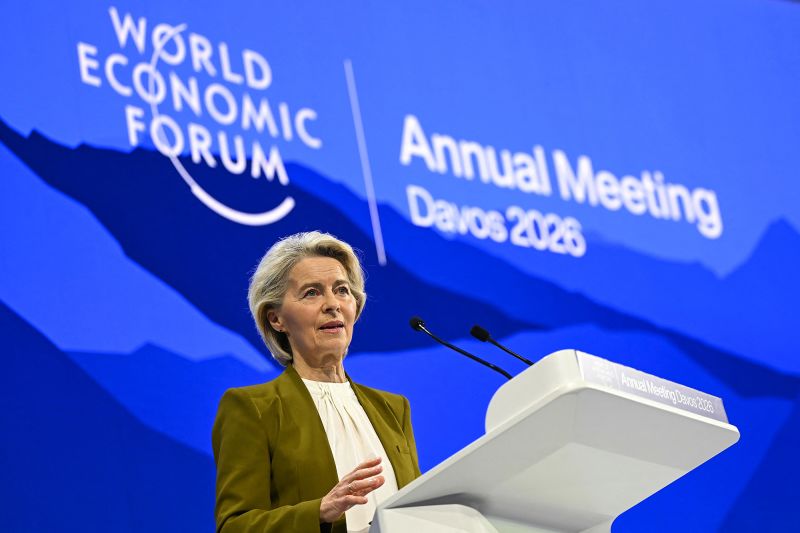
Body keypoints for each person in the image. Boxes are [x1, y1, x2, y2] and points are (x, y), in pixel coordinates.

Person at [213, 231, 422, 533]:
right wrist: (319, 512)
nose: (333, 304)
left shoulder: (393, 408)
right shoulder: (253, 408)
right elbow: (235, 526)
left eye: (342, 290)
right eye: (312, 292)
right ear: (276, 319)